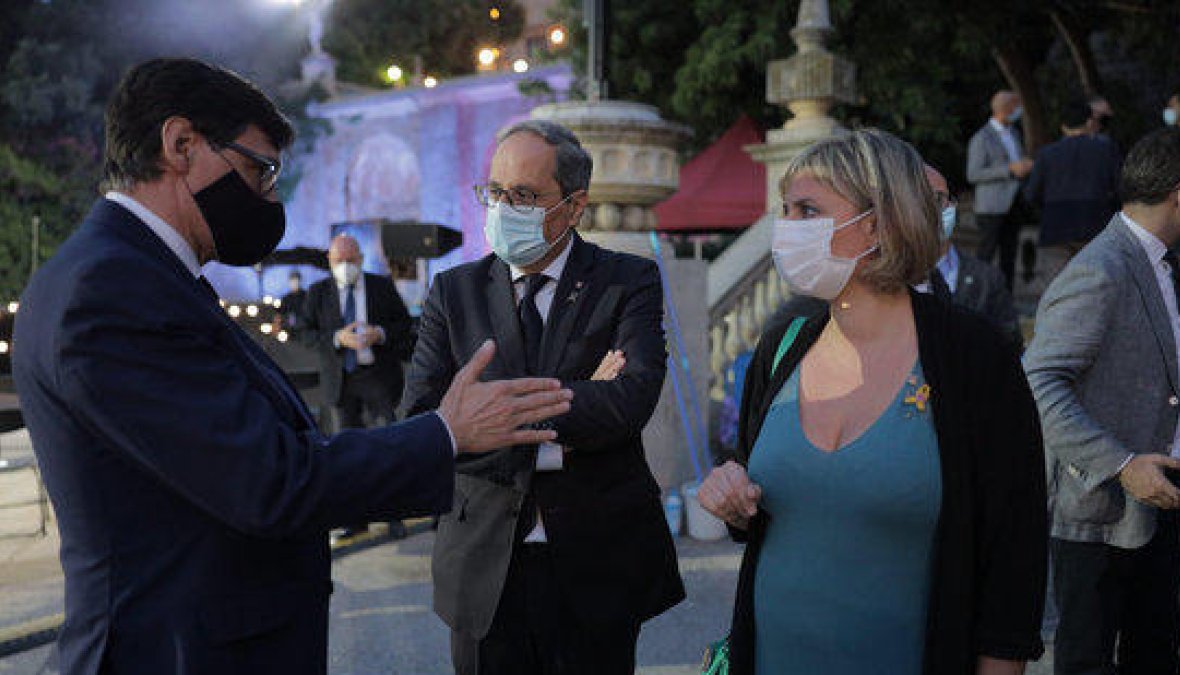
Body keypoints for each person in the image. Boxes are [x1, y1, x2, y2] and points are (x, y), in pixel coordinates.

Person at [10, 57, 573, 675]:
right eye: (259, 170)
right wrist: (446, 432)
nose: (268, 197)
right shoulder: (111, 289)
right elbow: (270, 481)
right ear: (180, 144)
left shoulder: (140, 275)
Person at [698, 128, 1047, 675]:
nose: (786, 229)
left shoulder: (975, 358)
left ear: (879, 224)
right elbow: (758, 498)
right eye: (785, 210)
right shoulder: (784, 342)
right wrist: (729, 495)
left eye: (807, 211)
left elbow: (1013, 553)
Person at [401, 119, 684, 675]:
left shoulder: (627, 280)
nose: (504, 207)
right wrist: (579, 401)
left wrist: (488, 412)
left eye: (524, 195)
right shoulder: (453, 292)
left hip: (597, 560)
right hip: (483, 564)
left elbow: (631, 401)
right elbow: (422, 422)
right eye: (496, 191)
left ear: (574, 207)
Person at [1025, 126, 1180, 674]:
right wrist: (1122, 466)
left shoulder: (1172, 264)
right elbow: (1038, 383)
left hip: (1160, 498)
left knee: (1156, 656)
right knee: (1088, 663)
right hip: (1099, 513)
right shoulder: (1100, 270)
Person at [298, 233, 415, 543]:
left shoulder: (381, 286)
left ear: (361, 259)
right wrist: (338, 338)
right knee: (344, 456)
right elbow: (305, 333)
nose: (346, 266)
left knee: (388, 448)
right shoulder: (318, 292)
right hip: (340, 380)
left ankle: (394, 516)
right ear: (330, 261)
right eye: (340, 261)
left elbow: (405, 325)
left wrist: (381, 333)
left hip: (377, 375)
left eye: (351, 260)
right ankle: (354, 519)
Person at [923, 165, 1024, 348]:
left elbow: (1011, 343)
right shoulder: (887, 281)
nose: (932, 209)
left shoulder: (987, 278)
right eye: (921, 199)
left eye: (939, 198)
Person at [1023, 99, 1122, 280]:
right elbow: (1120, 189)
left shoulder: (1046, 154)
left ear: (1062, 126)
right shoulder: (1106, 150)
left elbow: (1031, 194)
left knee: (1056, 288)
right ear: (1088, 122)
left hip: (1055, 225)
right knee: (1093, 286)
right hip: (1095, 224)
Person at [968, 90, 1034, 291]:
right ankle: (978, 297)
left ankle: (1006, 299)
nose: (1020, 111)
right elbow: (973, 174)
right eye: (1017, 106)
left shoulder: (1014, 133)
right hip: (990, 206)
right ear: (1007, 109)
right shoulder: (982, 137)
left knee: (1010, 254)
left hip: (1013, 202)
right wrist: (1008, 169)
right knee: (986, 253)